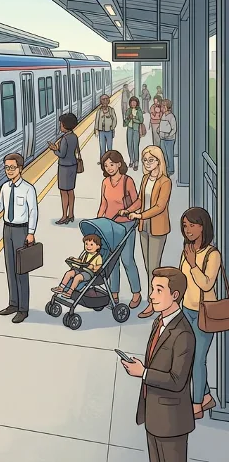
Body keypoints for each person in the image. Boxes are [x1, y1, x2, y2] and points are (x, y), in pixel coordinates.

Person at [120, 267, 194, 462]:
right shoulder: (158, 323)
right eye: (152, 289)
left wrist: (143, 373)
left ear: (175, 295)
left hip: (172, 422)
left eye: (158, 290)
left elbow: (177, 381)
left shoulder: (183, 334)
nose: (151, 296)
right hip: (154, 416)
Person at [177, 207, 220, 419]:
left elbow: (206, 284)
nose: (188, 230)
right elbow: (181, 279)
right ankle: (206, 397)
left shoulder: (213, 255)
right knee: (188, 357)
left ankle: (197, 406)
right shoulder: (187, 250)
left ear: (203, 226)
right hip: (186, 309)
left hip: (204, 313)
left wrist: (193, 264)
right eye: (185, 226)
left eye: (192, 225)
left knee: (198, 359)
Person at [0, 153, 38, 323]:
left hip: (21, 231)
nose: (9, 171)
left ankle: (23, 308)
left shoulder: (28, 189)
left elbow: (33, 212)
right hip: (7, 229)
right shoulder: (5, 188)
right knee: (10, 267)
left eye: (12, 167)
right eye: (6, 167)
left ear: (20, 168)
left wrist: (30, 232)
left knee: (21, 270)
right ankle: (13, 303)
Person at [121, 145, 172, 319]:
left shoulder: (165, 182)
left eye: (151, 160)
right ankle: (155, 298)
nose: (148, 163)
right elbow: (141, 200)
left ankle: (153, 303)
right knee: (147, 265)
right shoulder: (145, 179)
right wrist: (129, 210)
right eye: (145, 160)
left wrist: (140, 214)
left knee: (153, 268)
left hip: (158, 228)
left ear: (159, 161)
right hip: (144, 227)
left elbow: (160, 206)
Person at [96, 150, 142, 309]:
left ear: (119, 164)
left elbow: (138, 202)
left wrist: (128, 211)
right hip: (110, 225)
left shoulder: (127, 181)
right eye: (106, 165)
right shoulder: (105, 183)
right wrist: (98, 221)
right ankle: (113, 293)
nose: (109, 168)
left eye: (112, 164)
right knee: (112, 261)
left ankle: (136, 292)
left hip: (126, 224)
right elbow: (103, 203)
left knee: (127, 259)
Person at [47, 113, 79, 224]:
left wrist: (54, 149)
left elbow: (62, 154)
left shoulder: (65, 139)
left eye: (61, 124)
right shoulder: (74, 136)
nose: (60, 126)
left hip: (64, 167)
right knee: (71, 191)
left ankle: (64, 216)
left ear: (65, 125)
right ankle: (71, 214)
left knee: (63, 192)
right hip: (73, 165)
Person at [122, 97, 144, 170]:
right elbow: (125, 121)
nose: (133, 104)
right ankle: (131, 160)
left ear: (137, 103)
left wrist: (133, 118)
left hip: (136, 129)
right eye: (132, 102)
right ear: (130, 103)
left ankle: (136, 162)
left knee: (135, 146)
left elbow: (141, 120)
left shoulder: (139, 111)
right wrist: (128, 117)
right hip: (129, 129)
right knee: (129, 145)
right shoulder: (128, 110)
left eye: (135, 102)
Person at [93, 94, 117, 161]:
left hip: (109, 131)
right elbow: (97, 120)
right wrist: (96, 129)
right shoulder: (99, 111)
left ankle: (110, 160)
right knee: (102, 147)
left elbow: (114, 120)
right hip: (101, 132)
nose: (105, 101)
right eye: (103, 100)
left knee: (109, 147)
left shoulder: (111, 110)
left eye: (106, 99)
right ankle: (102, 160)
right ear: (101, 101)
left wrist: (112, 127)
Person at [158, 99, 176, 177]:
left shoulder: (171, 116)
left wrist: (169, 135)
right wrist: (158, 129)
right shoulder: (163, 115)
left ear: (167, 107)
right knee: (163, 154)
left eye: (163, 106)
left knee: (169, 154)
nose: (162, 107)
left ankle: (170, 170)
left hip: (169, 139)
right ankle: (165, 168)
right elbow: (162, 125)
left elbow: (174, 129)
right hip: (162, 138)